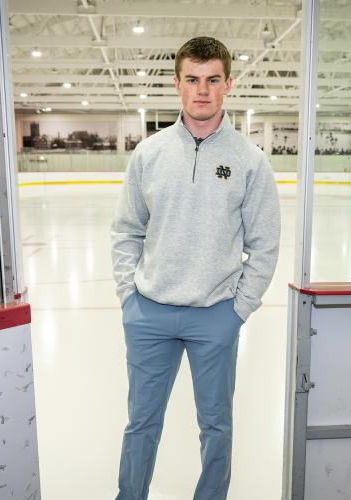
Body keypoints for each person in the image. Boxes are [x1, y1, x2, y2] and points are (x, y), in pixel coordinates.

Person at [110, 36, 281, 500]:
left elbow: (264, 245)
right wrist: (129, 297)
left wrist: (237, 311)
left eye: (211, 80)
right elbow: (126, 230)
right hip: (149, 314)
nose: (201, 90)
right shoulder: (149, 154)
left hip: (215, 316)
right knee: (141, 423)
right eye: (192, 80)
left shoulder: (250, 161)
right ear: (177, 84)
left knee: (216, 427)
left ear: (228, 84)